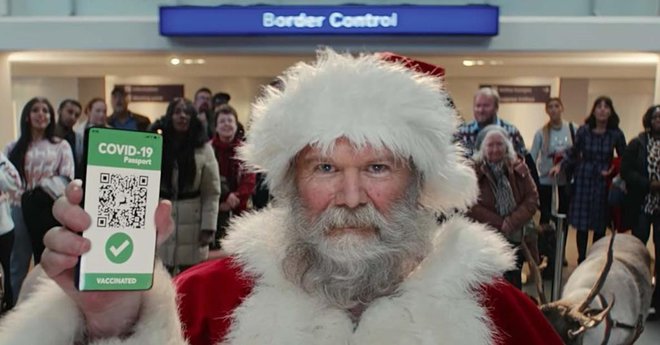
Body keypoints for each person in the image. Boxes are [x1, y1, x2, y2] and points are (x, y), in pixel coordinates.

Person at [0, 50, 563, 345]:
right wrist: (112, 323)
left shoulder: (499, 315)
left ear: (419, 184)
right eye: (324, 167)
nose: (350, 196)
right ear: (290, 185)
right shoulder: (200, 306)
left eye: (376, 167)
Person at [4, 97, 75, 304]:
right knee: (18, 261)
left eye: (46, 110)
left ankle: (45, 308)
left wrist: (42, 190)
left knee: (47, 260)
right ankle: (16, 308)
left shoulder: (61, 146)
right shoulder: (12, 147)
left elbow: (67, 177)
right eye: (36, 110)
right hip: (18, 208)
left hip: (49, 209)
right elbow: (5, 177)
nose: (41, 114)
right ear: (27, 116)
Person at [550, 96, 626, 264]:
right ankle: (581, 259)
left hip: (602, 181)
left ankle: (595, 259)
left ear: (611, 111)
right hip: (583, 178)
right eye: (599, 106)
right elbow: (573, 152)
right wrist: (560, 166)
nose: (602, 110)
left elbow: (624, 158)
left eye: (606, 107)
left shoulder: (616, 133)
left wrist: (615, 171)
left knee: (599, 223)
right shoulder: (584, 130)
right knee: (582, 224)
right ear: (594, 110)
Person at [152, 98, 221, 274]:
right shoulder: (156, 143)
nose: (182, 116)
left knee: (191, 276)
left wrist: (208, 227)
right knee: (160, 275)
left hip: (193, 220)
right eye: (177, 112)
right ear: (169, 116)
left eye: (187, 112)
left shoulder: (204, 149)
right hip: (161, 213)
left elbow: (211, 191)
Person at [467, 126, 539, 289]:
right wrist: (500, 223)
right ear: (483, 148)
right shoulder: (473, 171)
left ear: (507, 146)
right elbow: (469, 204)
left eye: (499, 144)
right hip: (485, 240)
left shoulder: (518, 167)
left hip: (516, 238)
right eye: (490, 145)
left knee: (513, 284)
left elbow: (532, 197)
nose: (495, 149)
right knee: (490, 285)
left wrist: (511, 222)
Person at [621, 104, 660, 319]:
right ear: (649, 119)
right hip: (641, 205)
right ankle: (636, 294)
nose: (659, 120)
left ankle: (657, 302)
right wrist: (648, 184)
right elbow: (626, 171)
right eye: (656, 117)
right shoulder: (637, 143)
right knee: (638, 252)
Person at [529, 97, 575, 274]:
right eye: (550, 107)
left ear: (562, 108)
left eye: (557, 106)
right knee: (545, 221)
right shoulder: (541, 133)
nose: (554, 110)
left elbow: (577, 153)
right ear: (547, 111)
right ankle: (543, 254)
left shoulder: (572, 130)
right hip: (545, 183)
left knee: (563, 221)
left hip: (566, 183)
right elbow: (532, 157)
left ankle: (560, 254)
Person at [211, 104, 256, 247]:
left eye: (230, 121)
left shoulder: (245, 150)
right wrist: (222, 200)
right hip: (213, 211)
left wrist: (234, 198)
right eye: (222, 121)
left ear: (236, 125)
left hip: (239, 210)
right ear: (216, 127)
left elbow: (250, 180)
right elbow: (207, 180)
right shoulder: (207, 149)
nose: (226, 124)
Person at [0, 152, 20, 313]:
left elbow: (15, 183)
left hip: (4, 228)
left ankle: (8, 307)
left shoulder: (1, 159)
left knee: (8, 271)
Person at [54, 99, 84, 174]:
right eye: (69, 112)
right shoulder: (46, 134)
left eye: (76, 115)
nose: (72, 117)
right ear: (59, 111)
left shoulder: (78, 140)